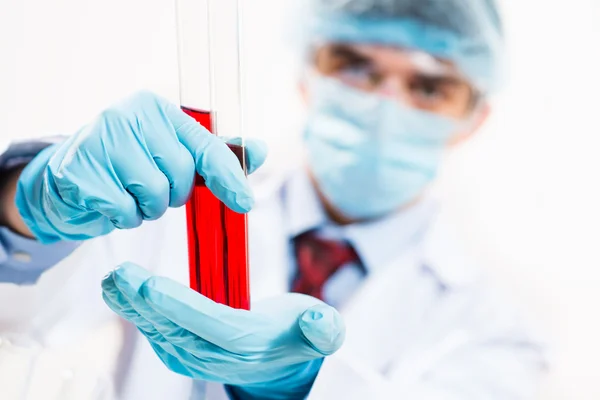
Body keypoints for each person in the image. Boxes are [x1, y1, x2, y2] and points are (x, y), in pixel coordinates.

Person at [0, 0, 547, 399]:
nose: (384, 104)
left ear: (473, 119)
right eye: (354, 65)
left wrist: (297, 389)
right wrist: (24, 208)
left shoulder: (501, 319)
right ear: (308, 75)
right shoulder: (178, 197)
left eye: (429, 87)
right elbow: (21, 318)